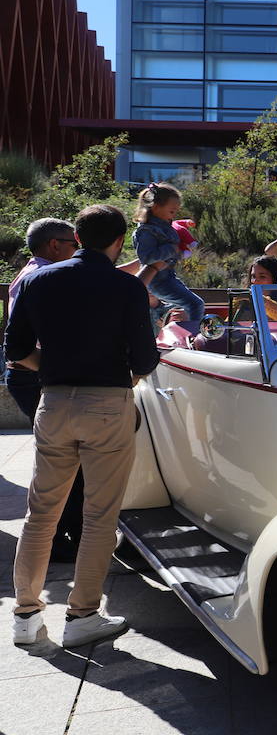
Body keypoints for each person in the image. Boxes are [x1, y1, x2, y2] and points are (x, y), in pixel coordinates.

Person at [7, 204, 160, 647]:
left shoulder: (36, 279)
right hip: (108, 404)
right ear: (119, 242)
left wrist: (51, 368)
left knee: (41, 514)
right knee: (98, 516)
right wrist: (124, 377)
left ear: (77, 234)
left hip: (52, 402)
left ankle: (25, 617)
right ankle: (83, 616)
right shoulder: (125, 286)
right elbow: (146, 357)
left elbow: (15, 348)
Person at [5, 219, 84, 561]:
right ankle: (61, 540)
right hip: (32, 376)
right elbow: (21, 345)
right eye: (73, 244)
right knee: (65, 464)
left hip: (29, 376)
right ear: (54, 245)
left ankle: (63, 538)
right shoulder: (39, 279)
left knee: (62, 461)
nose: (76, 250)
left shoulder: (35, 274)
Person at [132, 182, 205, 334]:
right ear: (156, 207)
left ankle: (186, 332)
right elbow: (147, 257)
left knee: (190, 305)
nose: (174, 215)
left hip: (168, 277)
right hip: (158, 281)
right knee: (195, 304)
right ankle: (195, 338)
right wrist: (172, 249)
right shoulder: (146, 231)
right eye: (172, 211)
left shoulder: (164, 225)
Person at [243, 256, 277, 322]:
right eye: (253, 276)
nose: (255, 281)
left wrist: (260, 299)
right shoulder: (244, 302)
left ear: (275, 279)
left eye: (262, 276)